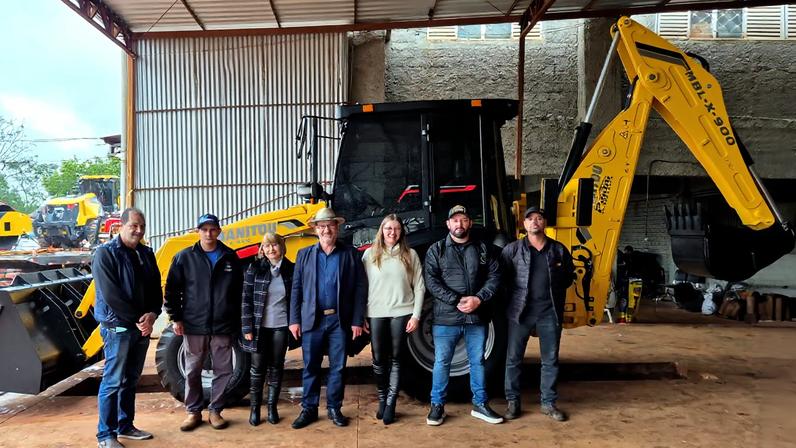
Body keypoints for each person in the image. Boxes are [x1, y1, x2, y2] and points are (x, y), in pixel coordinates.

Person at [289, 207, 367, 429]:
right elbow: (296, 289)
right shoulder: (304, 255)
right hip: (311, 320)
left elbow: (361, 288)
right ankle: (309, 409)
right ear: (315, 229)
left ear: (337, 227)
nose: (326, 230)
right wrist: (294, 320)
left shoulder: (350, 254)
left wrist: (357, 320)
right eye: (321, 226)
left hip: (339, 321)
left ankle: (334, 407)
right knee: (310, 366)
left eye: (330, 225)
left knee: (338, 367)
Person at [424, 205, 502, 426]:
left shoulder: (483, 249)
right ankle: (437, 406)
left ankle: (480, 404)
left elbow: (495, 276)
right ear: (448, 224)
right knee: (442, 362)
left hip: (476, 318)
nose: (459, 224)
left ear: (470, 223)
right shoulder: (436, 250)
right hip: (446, 318)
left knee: (477, 361)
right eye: (455, 220)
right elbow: (431, 281)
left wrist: (478, 299)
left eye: (464, 220)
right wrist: (455, 300)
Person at [164, 214, 243, 431]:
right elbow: (172, 290)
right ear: (197, 231)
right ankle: (193, 412)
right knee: (192, 369)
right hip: (193, 324)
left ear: (219, 231)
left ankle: (215, 410)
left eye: (212, 229)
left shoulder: (230, 257)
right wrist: (176, 317)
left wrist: (236, 322)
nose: (209, 233)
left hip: (222, 325)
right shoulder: (184, 258)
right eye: (204, 229)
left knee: (223, 370)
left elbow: (238, 293)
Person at [93, 207, 162, 448]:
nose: (139, 230)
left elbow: (156, 288)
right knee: (113, 380)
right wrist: (138, 319)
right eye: (134, 225)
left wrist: (153, 314)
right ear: (121, 226)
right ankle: (105, 435)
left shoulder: (146, 253)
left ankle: (125, 425)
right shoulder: (105, 254)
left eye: (142, 226)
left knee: (131, 379)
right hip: (118, 328)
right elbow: (112, 295)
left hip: (139, 328)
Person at [501, 206, 575, 422]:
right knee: (513, 359)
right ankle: (513, 403)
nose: (535, 222)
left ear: (545, 223)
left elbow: (568, 277)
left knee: (550, 359)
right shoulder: (512, 250)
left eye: (539, 218)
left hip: (549, 313)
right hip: (519, 313)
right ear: (524, 224)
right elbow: (502, 279)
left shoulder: (559, 250)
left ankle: (548, 403)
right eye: (530, 219)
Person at [362, 214, 425, 425]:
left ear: (401, 232)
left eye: (396, 229)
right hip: (376, 312)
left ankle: (390, 404)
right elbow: (361, 288)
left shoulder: (410, 254)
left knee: (397, 358)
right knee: (379, 358)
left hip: (401, 311)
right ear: (382, 230)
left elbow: (419, 286)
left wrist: (416, 315)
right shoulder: (370, 255)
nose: (392, 232)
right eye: (388, 228)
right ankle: (382, 399)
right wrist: (361, 315)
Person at [241, 232, 294, 426]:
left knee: (276, 367)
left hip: (281, 327)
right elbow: (245, 300)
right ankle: (255, 409)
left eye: (275, 245)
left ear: (282, 247)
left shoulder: (291, 269)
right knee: (257, 369)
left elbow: (296, 300)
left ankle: (272, 407)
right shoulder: (254, 269)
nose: (271, 249)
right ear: (262, 249)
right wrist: (247, 326)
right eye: (267, 246)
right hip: (258, 328)